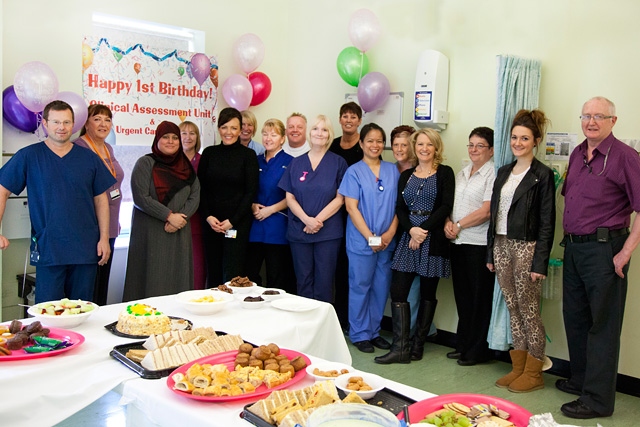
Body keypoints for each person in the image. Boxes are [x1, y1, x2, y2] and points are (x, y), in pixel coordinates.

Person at [557, 97, 640, 419]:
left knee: (602, 327)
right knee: (576, 320)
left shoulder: (625, 157)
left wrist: (625, 253)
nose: (591, 122)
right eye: (586, 116)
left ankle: (598, 400)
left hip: (606, 250)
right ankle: (581, 380)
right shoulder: (578, 154)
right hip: (575, 248)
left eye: (599, 116)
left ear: (613, 121)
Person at [0, 100, 115, 303]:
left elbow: (101, 200)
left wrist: (104, 238)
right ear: (45, 123)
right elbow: (2, 191)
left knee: (82, 311)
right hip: (49, 248)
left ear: (74, 125)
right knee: (47, 313)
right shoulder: (29, 156)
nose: (61, 127)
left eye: (66, 122)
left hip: (85, 250)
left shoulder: (88, 159)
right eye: (56, 122)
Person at [486, 109, 555, 393]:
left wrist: (540, 262)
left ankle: (534, 372)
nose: (518, 142)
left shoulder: (542, 175)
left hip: (527, 247)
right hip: (501, 243)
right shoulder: (503, 171)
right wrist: (491, 252)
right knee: (512, 307)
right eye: (514, 137)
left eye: (524, 138)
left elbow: (547, 222)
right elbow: (494, 214)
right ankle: (518, 367)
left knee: (528, 310)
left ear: (535, 141)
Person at [375, 128, 454, 364]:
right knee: (398, 291)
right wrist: (411, 230)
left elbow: (445, 206)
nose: (424, 149)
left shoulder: (445, 173)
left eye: (429, 144)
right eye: (420, 144)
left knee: (428, 293)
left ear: (436, 147)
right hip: (409, 236)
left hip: (433, 239)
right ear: (414, 147)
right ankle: (401, 348)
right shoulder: (406, 175)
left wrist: (423, 231)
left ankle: (418, 345)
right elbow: (400, 207)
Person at [338, 123, 399, 353]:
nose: (375, 145)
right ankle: (359, 333)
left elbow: (398, 207)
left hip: (387, 240)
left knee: (381, 288)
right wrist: (372, 238)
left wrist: (389, 234)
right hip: (362, 242)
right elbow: (351, 208)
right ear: (361, 143)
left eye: (379, 141)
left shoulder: (393, 171)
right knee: (360, 286)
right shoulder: (353, 171)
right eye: (370, 140)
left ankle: (374, 332)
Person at [122, 121, 200, 300]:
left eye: (174, 137)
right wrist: (168, 216)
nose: (171, 141)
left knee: (178, 276)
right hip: (152, 232)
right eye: (165, 137)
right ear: (157, 139)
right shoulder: (145, 163)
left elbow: (195, 195)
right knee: (153, 278)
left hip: (179, 230)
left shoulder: (185, 166)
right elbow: (141, 197)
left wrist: (181, 219)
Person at [278, 115, 347, 302]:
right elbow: (289, 197)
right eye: (316, 128)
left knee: (325, 282)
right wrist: (306, 220)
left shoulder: (338, 163)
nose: (319, 133)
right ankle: (305, 325)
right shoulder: (296, 163)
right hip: (299, 231)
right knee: (304, 280)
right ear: (310, 133)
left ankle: (323, 327)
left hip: (328, 233)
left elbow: (340, 198)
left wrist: (317, 221)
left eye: (324, 130)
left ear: (330, 135)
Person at [443, 127, 496, 366]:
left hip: (478, 243)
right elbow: (450, 205)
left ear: (491, 150)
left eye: (480, 145)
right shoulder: (462, 173)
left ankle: (477, 350)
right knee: (462, 297)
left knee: (478, 299)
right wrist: (448, 223)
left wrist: (459, 224)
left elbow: (486, 211)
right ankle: (463, 344)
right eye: (471, 144)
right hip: (458, 242)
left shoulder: (493, 174)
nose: (474, 149)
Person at [198, 108, 259, 284]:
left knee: (233, 273)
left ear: (240, 130)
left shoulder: (248, 155)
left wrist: (232, 221)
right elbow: (201, 189)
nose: (229, 132)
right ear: (219, 129)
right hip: (212, 224)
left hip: (236, 225)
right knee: (213, 271)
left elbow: (250, 192)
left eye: (233, 128)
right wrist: (209, 217)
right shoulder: (209, 153)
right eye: (224, 127)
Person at [73, 104, 124, 306]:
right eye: (97, 119)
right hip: (91, 227)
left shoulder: (108, 147)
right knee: (88, 287)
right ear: (86, 122)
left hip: (111, 225)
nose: (103, 124)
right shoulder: (79, 147)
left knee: (103, 283)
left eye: (107, 119)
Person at [246, 119, 295, 293]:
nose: (268, 138)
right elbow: (247, 189)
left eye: (273, 135)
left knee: (276, 276)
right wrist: (252, 205)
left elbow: (294, 196)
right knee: (251, 275)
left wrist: (270, 210)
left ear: (282, 139)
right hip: (255, 226)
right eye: (265, 134)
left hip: (278, 226)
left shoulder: (291, 162)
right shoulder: (254, 160)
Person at [329, 102, 364, 332]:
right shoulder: (332, 145)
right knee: (338, 268)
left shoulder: (363, 146)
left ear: (359, 121)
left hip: (357, 213)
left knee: (356, 270)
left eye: (353, 116)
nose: (348, 120)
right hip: (334, 213)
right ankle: (339, 318)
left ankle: (355, 321)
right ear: (340, 120)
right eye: (345, 116)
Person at [180, 120, 206, 290]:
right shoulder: (169, 163)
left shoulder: (204, 161)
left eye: (192, 133)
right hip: (175, 220)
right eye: (183, 133)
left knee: (198, 265)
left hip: (198, 220)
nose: (188, 137)